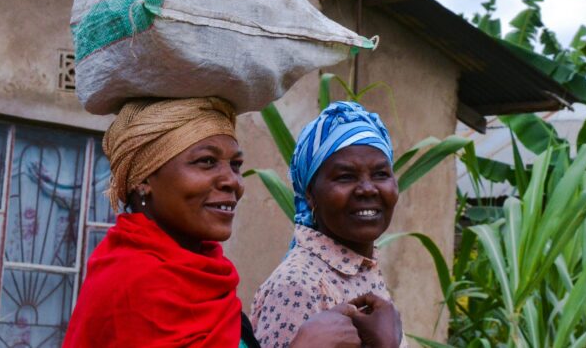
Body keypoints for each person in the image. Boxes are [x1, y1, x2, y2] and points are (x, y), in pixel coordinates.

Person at [63, 96, 398, 348]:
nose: (233, 182)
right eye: (206, 162)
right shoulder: (132, 283)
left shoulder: (206, 279)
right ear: (144, 179)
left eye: (235, 166)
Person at [250, 101, 408, 348]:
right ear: (310, 194)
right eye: (346, 176)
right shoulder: (299, 285)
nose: (368, 189)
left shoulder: (360, 268)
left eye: (380, 174)